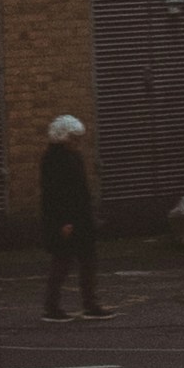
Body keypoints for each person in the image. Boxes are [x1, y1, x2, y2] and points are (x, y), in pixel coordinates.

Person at [39, 113, 107, 317]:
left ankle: (90, 304)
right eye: (73, 137)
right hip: (67, 220)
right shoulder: (53, 159)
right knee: (62, 263)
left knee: (86, 262)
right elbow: (54, 193)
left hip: (80, 218)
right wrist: (64, 222)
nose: (77, 142)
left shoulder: (72, 156)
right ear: (63, 137)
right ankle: (52, 307)